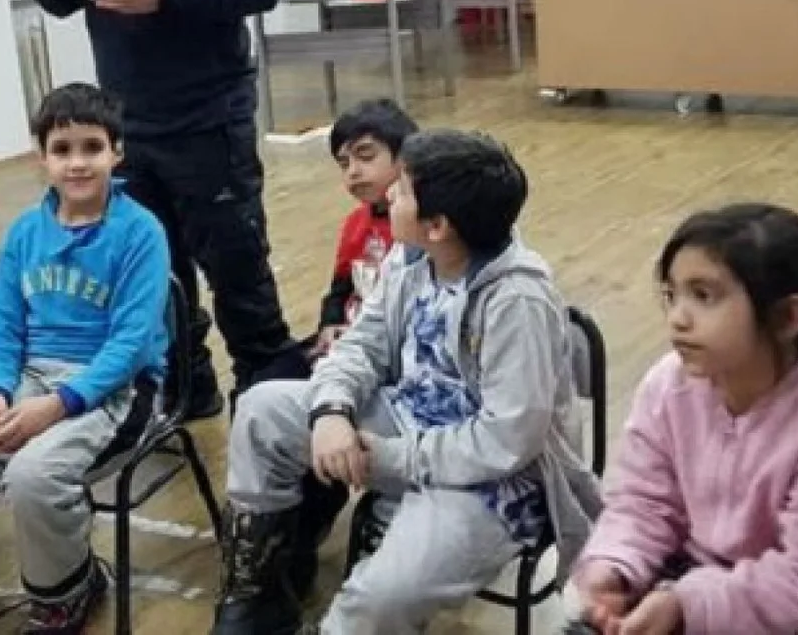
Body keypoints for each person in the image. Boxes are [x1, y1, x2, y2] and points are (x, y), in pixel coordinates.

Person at [210, 129, 601, 635]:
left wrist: (388, 457)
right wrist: (330, 411)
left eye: (404, 190)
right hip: (404, 423)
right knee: (262, 410)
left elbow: (508, 442)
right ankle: (257, 599)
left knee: (382, 596)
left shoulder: (516, 302)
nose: (390, 194)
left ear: (437, 225)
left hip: (493, 483)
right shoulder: (412, 255)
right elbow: (361, 344)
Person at [24, 0, 299, 417]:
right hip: (127, 129)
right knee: (155, 278)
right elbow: (63, 0)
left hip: (208, 121)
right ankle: (186, 392)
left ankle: (273, 412)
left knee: (237, 274)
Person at [0, 84, 170, 635]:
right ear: (41, 157)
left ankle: (68, 591)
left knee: (32, 476)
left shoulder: (141, 232)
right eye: (63, 148)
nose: (77, 162)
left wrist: (57, 406)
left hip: (112, 386)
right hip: (28, 377)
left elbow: (130, 344)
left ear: (116, 153)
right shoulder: (27, 231)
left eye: (91, 147)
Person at [569, 204, 798, 635]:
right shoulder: (668, 385)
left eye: (704, 296)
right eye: (672, 295)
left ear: (786, 318)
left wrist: (684, 603)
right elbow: (644, 502)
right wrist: (615, 566)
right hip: (703, 590)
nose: (677, 318)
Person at [310, 98, 418, 361]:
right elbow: (340, 288)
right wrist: (330, 324)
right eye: (344, 163)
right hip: (352, 338)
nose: (353, 172)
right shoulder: (355, 223)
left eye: (366, 156)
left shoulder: (424, 224)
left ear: (405, 158)